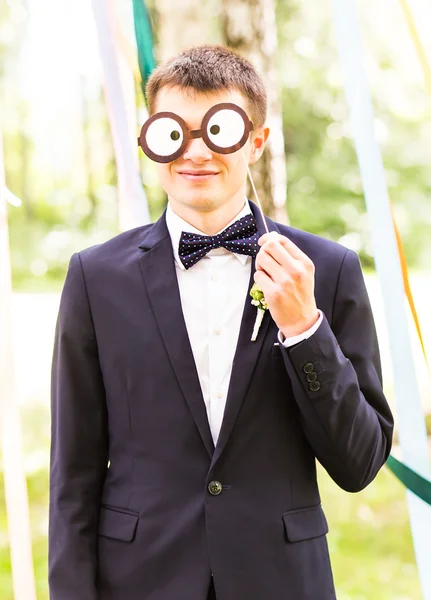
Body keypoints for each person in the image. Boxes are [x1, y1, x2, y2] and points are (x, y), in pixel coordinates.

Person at [48, 44, 394, 600]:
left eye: (219, 129)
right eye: (174, 132)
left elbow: (359, 463)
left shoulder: (326, 270)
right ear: (149, 141)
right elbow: (73, 473)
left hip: (280, 582)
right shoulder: (95, 278)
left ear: (256, 140)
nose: (196, 151)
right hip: (139, 582)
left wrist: (306, 330)